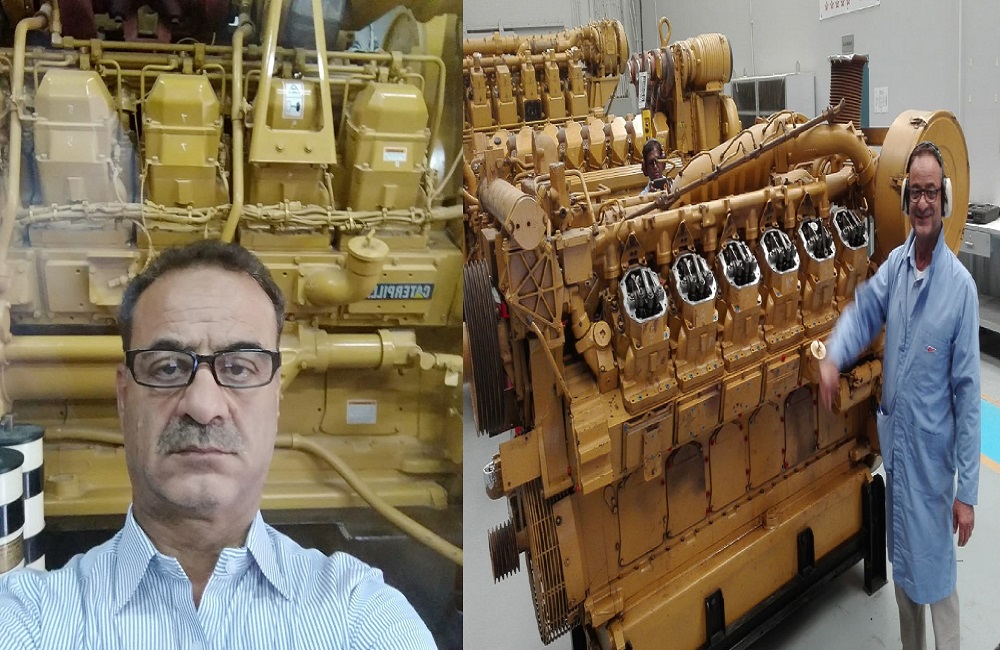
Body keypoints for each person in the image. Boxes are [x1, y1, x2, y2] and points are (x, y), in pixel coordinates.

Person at [0, 240, 436, 649]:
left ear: (276, 395)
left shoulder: (361, 615)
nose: (203, 406)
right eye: (168, 368)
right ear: (124, 395)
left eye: (239, 368)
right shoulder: (29, 620)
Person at [819, 141, 980, 650]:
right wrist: (833, 355)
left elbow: (969, 399)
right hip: (899, 455)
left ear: (944, 198)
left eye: (932, 192)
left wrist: (967, 494)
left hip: (932, 466)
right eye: (916, 192)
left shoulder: (960, 289)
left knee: (938, 584)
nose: (923, 203)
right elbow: (864, 311)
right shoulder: (895, 267)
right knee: (906, 583)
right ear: (907, 197)